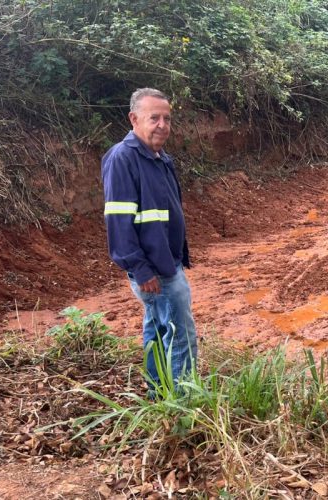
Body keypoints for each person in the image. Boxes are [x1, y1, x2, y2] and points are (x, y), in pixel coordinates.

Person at [102, 88, 197, 391]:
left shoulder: (159, 158)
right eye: (153, 117)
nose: (162, 125)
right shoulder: (123, 158)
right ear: (134, 118)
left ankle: (158, 391)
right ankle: (184, 401)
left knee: (157, 327)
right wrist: (140, 269)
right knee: (182, 334)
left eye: (167, 118)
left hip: (166, 263)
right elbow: (119, 221)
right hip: (156, 270)